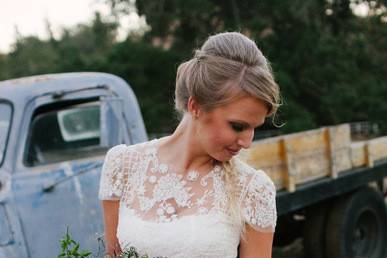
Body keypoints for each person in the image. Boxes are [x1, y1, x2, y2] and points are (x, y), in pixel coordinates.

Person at [99, 31, 280, 258]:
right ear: (196, 106)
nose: (247, 142)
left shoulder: (253, 189)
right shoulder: (122, 165)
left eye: (255, 127)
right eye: (237, 126)